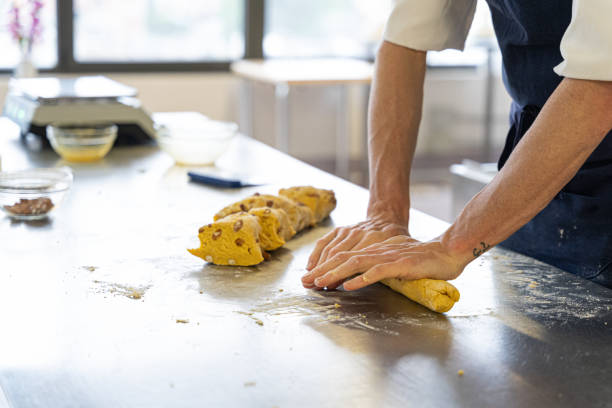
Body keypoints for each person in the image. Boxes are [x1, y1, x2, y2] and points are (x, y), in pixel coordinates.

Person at [302, 0, 612, 291]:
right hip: (529, 173)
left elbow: (600, 86)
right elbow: (404, 40)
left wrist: (454, 246)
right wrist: (384, 214)